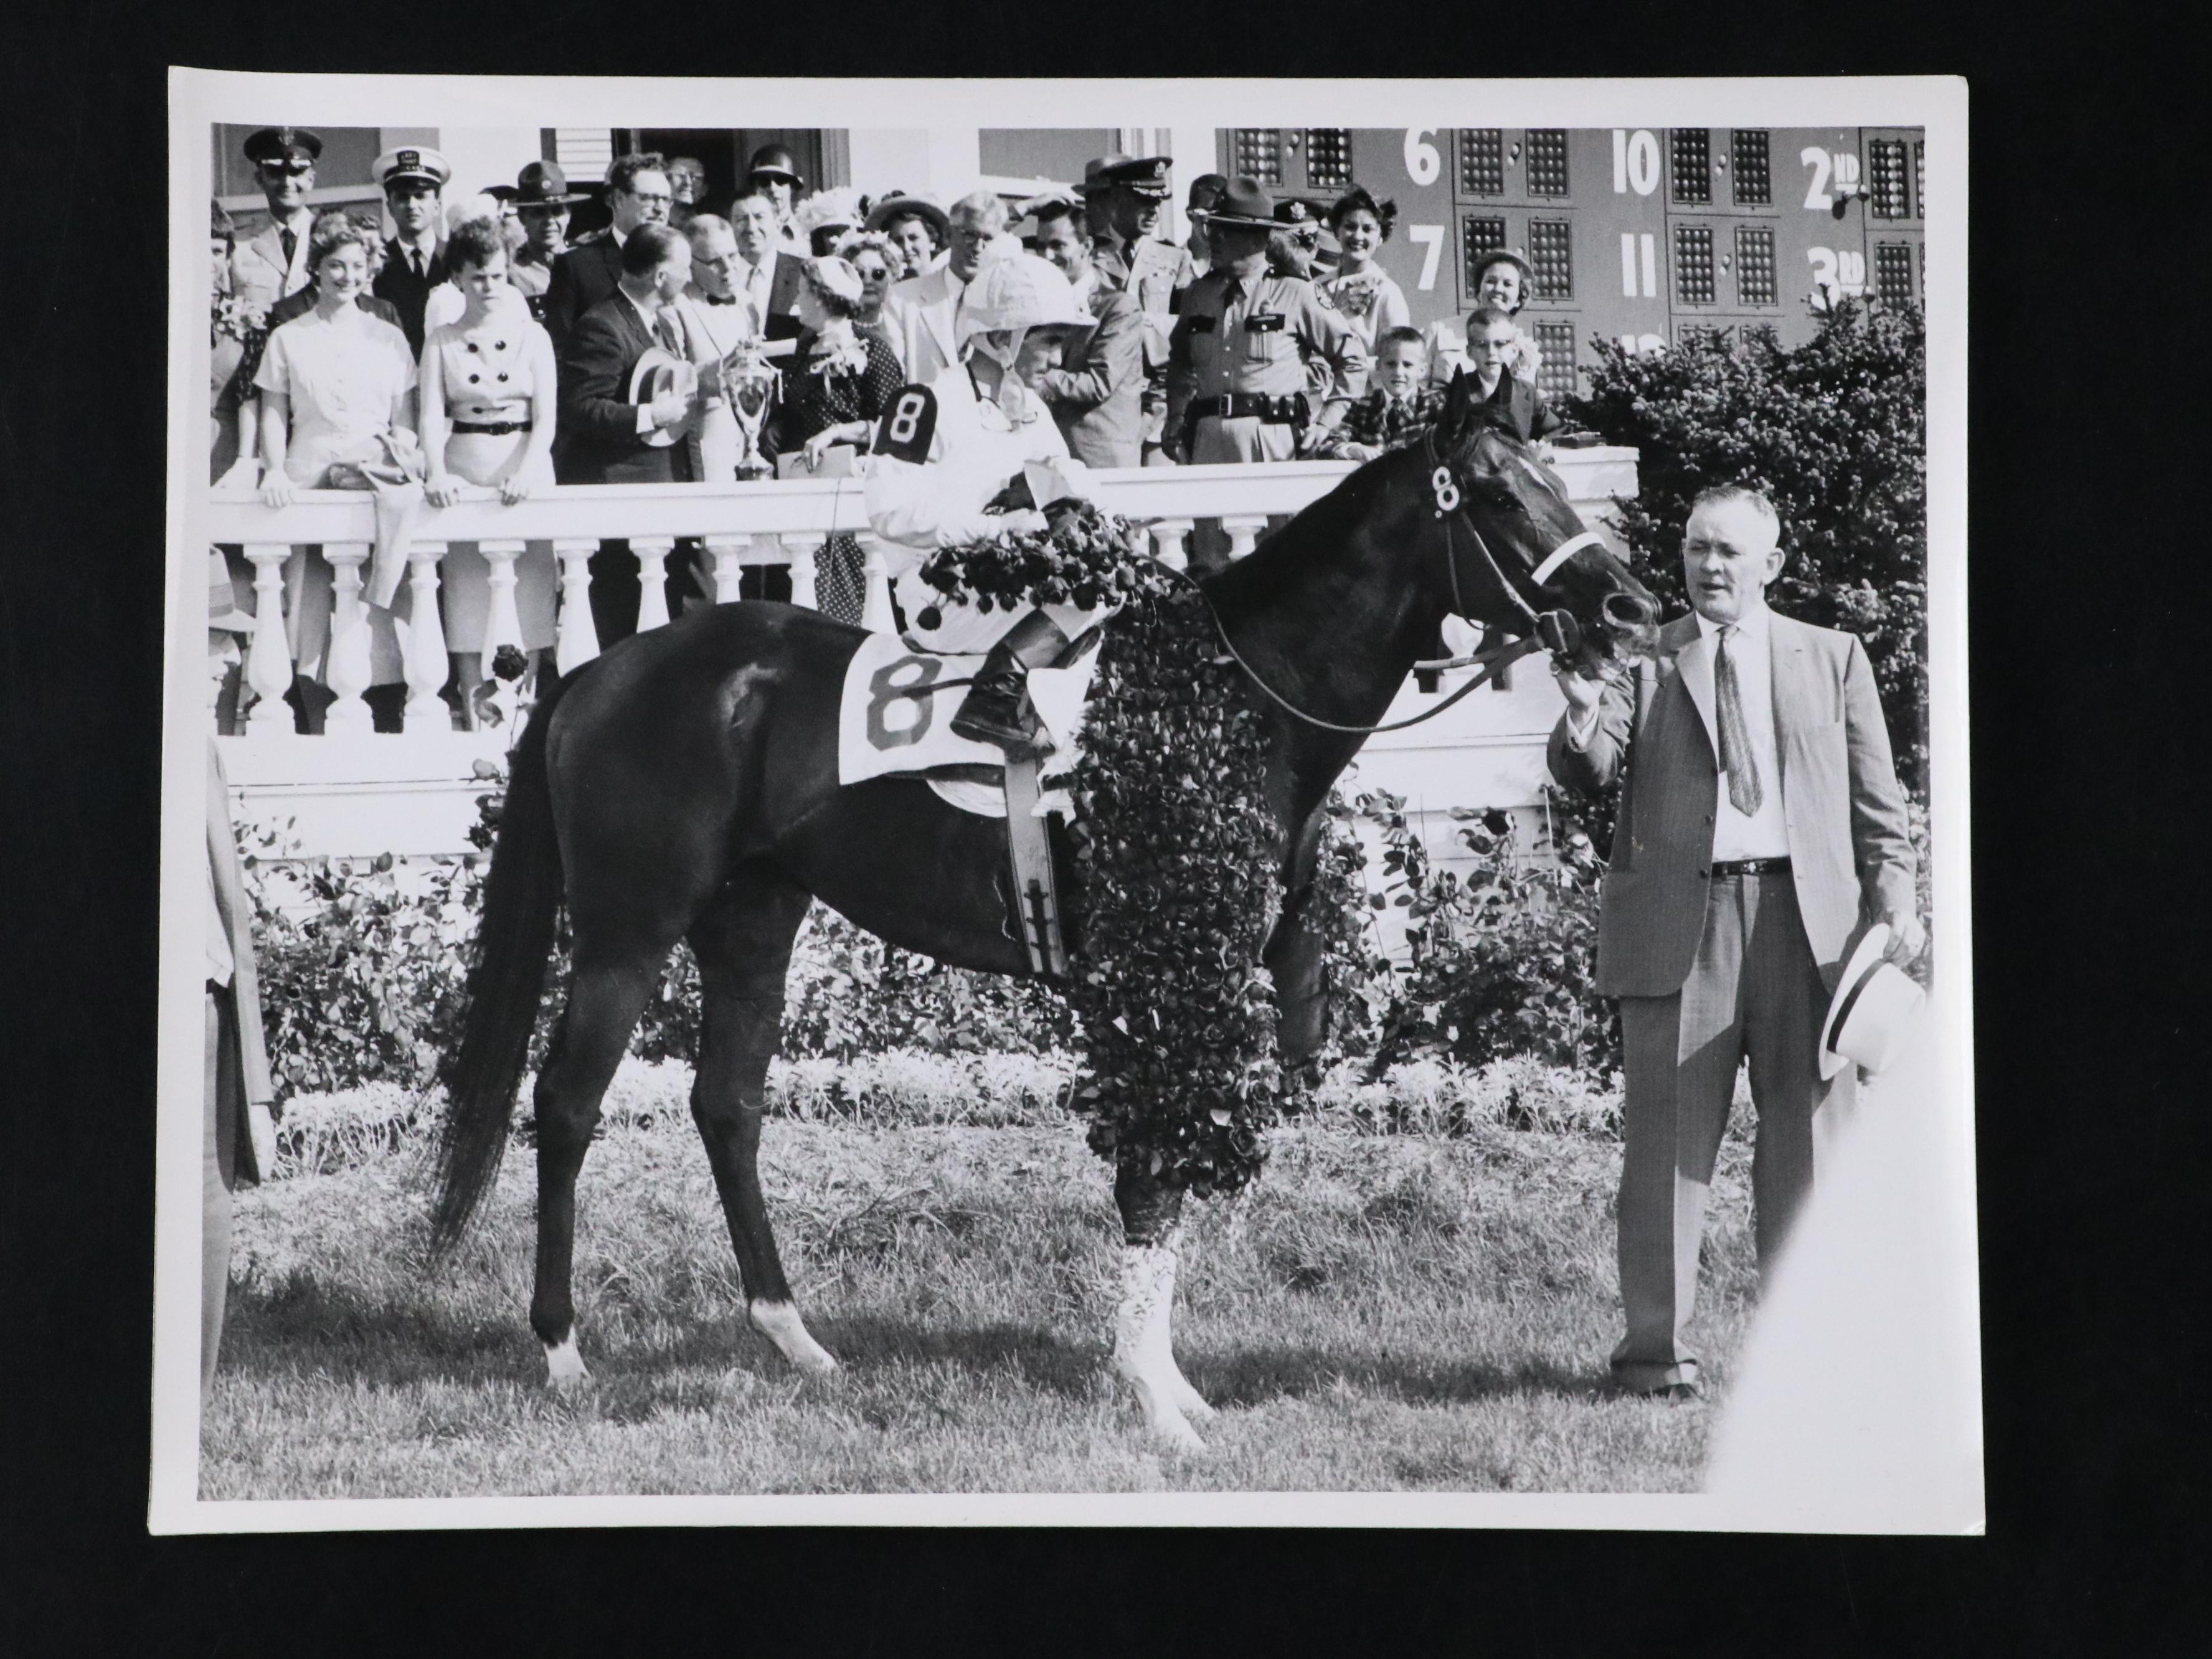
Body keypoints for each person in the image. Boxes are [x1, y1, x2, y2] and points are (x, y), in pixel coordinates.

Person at [1546, 486, 1921, 1399]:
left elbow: (1878, 806)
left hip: (1810, 930)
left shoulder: (1833, 657)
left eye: (1728, 551)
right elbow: (1588, 770)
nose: (1709, 566)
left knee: (1809, 1154)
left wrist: (1897, 901)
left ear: (1771, 566)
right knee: (1667, 1157)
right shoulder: (1645, 656)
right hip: (1682, 926)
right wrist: (1582, 712)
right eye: (1695, 548)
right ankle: (1655, 1361)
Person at [864, 251, 1100, 755]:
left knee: (1117, 579)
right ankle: (995, 699)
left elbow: (1069, 486)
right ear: (1000, 337)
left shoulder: (1029, 407)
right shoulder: (921, 402)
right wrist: (995, 528)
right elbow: (888, 512)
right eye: (1049, 341)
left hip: (1001, 582)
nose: (1058, 359)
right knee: (1095, 593)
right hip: (937, 593)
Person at [253, 212, 419, 729]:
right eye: (335, 265)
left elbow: (406, 422)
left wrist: (395, 459)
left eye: (356, 266)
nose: (347, 276)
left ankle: (383, 719)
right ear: (317, 269)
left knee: (376, 616)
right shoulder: (288, 337)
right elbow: (274, 411)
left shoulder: (388, 338)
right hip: (308, 481)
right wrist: (275, 470)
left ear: (370, 270)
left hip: (373, 486)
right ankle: (312, 721)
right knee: (308, 612)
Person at [419, 218, 560, 723]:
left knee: (529, 600)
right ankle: (477, 717)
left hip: (524, 470)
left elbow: (547, 419)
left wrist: (528, 471)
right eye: (477, 276)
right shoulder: (441, 341)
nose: (488, 287)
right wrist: (436, 471)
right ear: (458, 277)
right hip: (465, 471)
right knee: (469, 603)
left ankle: (520, 716)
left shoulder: (533, 337)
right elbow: (430, 415)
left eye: (498, 276)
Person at [554, 223, 701, 645]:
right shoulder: (602, 325)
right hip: (619, 501)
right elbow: (580, 408)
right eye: (686, 268)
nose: (690, 277)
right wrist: (651, 415)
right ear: (660, 276)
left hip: (660, 496)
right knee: (620, 630)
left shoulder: (661, 324)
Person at [1163, 176, 1365, 469]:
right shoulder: (1198, 295)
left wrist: (1325, 423)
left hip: (1272, 441)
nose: (1213, 238)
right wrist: (1176, 417)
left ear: (1258, 238)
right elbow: (1180, 363)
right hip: (1208, 441)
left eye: (1226, 230)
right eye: (1212, 228)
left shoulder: (1295, 292)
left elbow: (1352, 359)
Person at [760, 257, 904, 623]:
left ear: (823, 298)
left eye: (803, 293)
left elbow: (893, 427)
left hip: (850, 492)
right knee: (801, 590)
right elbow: (792, 410)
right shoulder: (804, 349)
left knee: (848, 596)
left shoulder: (873, 350)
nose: (797, 301)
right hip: (802, 490)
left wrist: (837, 432)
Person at [202, 727, 271, 1405]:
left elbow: (231, 906)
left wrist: (257, 1089)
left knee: (206, 1193)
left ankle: (186, 1400)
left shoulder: (194, 741)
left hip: (199, 993)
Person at [1082, 154, 1194, 466]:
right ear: (1117, 200)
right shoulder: (1088, 257)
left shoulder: (1175, 259)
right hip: (1104, 409)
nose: (1154, 211)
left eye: (1158, 202)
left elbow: (1187, 335)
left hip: (1159, 408)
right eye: (1144, 201)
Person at [1028, 196, 1144, 468]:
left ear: (1087, 246)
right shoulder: (1037, 305)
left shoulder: (1118, 307)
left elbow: (1099, 382)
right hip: (1047, 455)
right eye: (1041, 246)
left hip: (1100, 458)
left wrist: (1031, 378)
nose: (1047, 256)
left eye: (1058, 245)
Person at [542, 151, 673, 350]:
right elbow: (558, 347)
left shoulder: (680, 264)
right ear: (618, 199)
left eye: (666, 200)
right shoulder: (577, 267)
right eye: (649, 198)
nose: (660, 208)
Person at [886, 188, 1014, 385]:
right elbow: (892, 379)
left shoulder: (1007, 304)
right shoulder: (901, 298)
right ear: (949, 235)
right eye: (970, 235)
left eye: (988, 239)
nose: (978, 248)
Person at [668, 213, 760, 484]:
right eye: (714, 262)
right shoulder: (675, 306)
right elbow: (673, 379)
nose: (729, 268)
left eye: (733, 256)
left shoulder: (747, 302)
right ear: (690, 264)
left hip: (752, 441)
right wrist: (727, 367)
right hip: (706, 443)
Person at [370, 146, 453, 356]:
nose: (411, 205)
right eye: (402, 197)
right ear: (390, 207)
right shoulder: (376, 263)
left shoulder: (456, 259)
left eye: (420, 196)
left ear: (437, 205)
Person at [1314, 327, 1439, 463]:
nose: (1398, 372)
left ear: (1422, 370)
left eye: (1407, 365)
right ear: (1378, 366)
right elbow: (1326, 447)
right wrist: (1352, 448)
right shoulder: (1363, 406)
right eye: (1391, 364)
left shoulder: (1435, 405)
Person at [1427, 246, 1545, 389]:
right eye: (1491, 281)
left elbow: (1523, 400)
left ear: (1519, 299)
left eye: (1507, 284)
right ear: (1478, 290)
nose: (1498, 289)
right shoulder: (1440, 332)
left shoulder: (1524, 350)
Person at [229, 126, 321, 311]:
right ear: (260, 179)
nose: (287, 182)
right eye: (275, 172)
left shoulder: (330, 237)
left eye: (296, 172)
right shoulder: (237, 246)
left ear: (311, 180)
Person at [1318, 187, 1411, 362]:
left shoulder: (1387, 293)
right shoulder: (1317, 287)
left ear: (1381, 237)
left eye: (1367, 229)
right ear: (1337, 232)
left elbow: (1396, 359)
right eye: (1350, 227)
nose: (1358, 236)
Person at [1457, 303, 1564, 443]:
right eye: (1481, 344)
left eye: (1500, 344)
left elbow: (1557, 430)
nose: (1491, 352)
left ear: (1514, 350)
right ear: (1469, 351)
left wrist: (1540, 444)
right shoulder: (1458, 393)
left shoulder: (1526, 392)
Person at [508, 159, 590, 318]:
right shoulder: (511, 272)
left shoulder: (588, 262)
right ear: (523, 218)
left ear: (568, 215)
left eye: (557, 211)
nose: (549, 220)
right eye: (539, 212)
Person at [730, 188, 807, 341]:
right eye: (741, 220)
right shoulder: (721, 275)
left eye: (759, 217)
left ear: (778, 224)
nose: (751, 228)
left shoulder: (804, 273)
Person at [833, 229, 903, 358]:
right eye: (859, 274)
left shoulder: (902, 325)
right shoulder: (833, 327)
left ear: (892, 277)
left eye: (878, 274)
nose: (868, 281)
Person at [866, 192, 950, 280]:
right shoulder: (883, 287)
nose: (907, 247)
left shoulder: (948, 284)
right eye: (898, 241)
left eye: (913, 238)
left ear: (933, 240)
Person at [745, 144, 808, 250]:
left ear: (792, 187)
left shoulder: (808, 234)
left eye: (781, 180)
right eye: (764, 181)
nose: (772, 188)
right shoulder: (746, 235)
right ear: (755, 189)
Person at [1181, 173, 1226, 280]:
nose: (1213, 221)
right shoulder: (1172, 264)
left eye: (1219, 215)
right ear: (1190, 214)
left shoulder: (1236, 269)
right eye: (1206, 213)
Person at [666, 155, 707, 229]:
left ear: (705, 189)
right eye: (681, 176)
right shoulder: (654, 225)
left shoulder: (707, 229)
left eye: (696, 178)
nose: (688, 182)